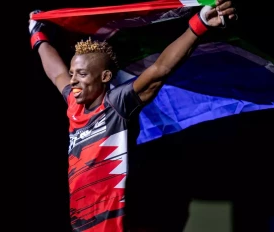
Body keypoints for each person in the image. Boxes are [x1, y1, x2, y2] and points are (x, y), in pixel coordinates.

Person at [28, 0, 238, 231]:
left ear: (105, 77)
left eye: (82, 73)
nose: (74, 80)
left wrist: (198, 25)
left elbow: (160, 69)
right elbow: (56, 72)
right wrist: (37, 35)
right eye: (73, 73)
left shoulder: (116, 104)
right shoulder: (74, 104)